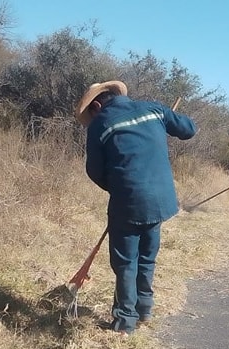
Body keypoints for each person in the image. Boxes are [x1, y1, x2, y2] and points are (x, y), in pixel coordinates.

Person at [77, 81, 197, 335]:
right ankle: (144, 308)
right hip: (161, 201)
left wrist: (120, 188)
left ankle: (125, 320)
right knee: (147, 256)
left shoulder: (100, 124)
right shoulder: (153, 109)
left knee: (125, 263)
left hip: (128, 202)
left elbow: (95, 171)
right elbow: (189, 129)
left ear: (96, 105)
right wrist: (167, 118)